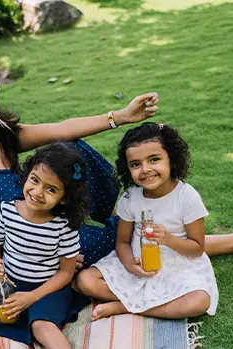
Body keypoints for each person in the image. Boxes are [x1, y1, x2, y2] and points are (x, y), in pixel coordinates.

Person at [0, 49, 233, 274]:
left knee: (70, 147)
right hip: (28, 245)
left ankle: (120, 216)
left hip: (44, 219)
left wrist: (121, 116)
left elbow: (61, 129)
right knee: (126, 240)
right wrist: (55, 247)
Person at [0, 143, 88, 348]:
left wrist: (32, 297)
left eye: (51, 189)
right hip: (8, 286)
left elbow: (66, 274)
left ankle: (34, 321)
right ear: (27, 174)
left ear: (64, 198)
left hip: (46, 290)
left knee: (43, 327)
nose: (38, 192)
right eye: (35, 180)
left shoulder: (63, 226)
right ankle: (23, 323)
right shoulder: (6, 211)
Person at [75, 122, 219, 321]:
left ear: (172, 159)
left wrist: (167, 239)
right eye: (136, 164)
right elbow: (122, 242)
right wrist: (130, 265)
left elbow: (197, 248)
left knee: (199, 301)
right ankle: (148, 302)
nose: (145, 169)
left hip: (177, 265)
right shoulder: (130, 197)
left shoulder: (186, 197)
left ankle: (125, 306)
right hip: (139, 261)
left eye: (154, 160)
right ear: (127, 168)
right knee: (85, 281)